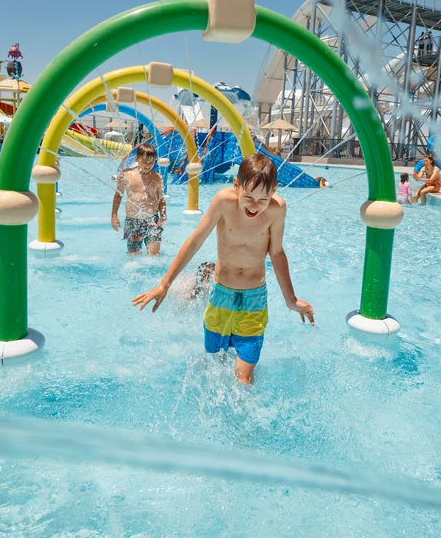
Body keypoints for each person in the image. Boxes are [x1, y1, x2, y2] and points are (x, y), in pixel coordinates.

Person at [132, 153, 314, 385]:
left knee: (244, 378)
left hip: (254, 300)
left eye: (263, 199)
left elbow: (276, 252)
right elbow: (195, 242)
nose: (254, 206)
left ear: (274, 190)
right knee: (214, 369)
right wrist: (164, 284)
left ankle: (242, 419)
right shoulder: (223, 202)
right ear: (236, 185)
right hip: (221, 297)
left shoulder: (277, 210)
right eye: (248, 197)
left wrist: (291, 299)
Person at [112, 143, 166, 255]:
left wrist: (163, 214)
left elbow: (161, 199)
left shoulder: (157, 178)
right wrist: (114, 216)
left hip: (152, 221)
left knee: (154, 256)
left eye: (151, 161)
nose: (148, 164)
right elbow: (118, 195)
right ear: (137, 158)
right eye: (144, 161)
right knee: (133, 257)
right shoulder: (127, 175)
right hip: (133, 221)